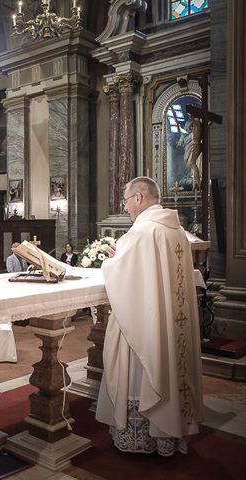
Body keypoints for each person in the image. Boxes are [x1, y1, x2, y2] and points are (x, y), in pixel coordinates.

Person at [96, 176, 203, 456]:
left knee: (143, 369)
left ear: (139, 198)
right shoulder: (175, 229)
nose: (127, 207)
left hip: (147, 326)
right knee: (171, 365)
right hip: (170, 322)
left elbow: (125, 277)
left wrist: (111, 259)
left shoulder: (142, 232)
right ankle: (167, 434)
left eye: (127, 201)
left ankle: (144, 435)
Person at [177, 113, 202, 190]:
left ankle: (196, 182)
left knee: (191, 162)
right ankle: (191, 178)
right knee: (186, 160)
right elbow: (184, 133)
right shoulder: (187, 123)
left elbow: (197, 127)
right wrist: (180, 141)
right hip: (187, 142)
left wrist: (193, 119)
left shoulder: (197, 122)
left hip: (193, 143)